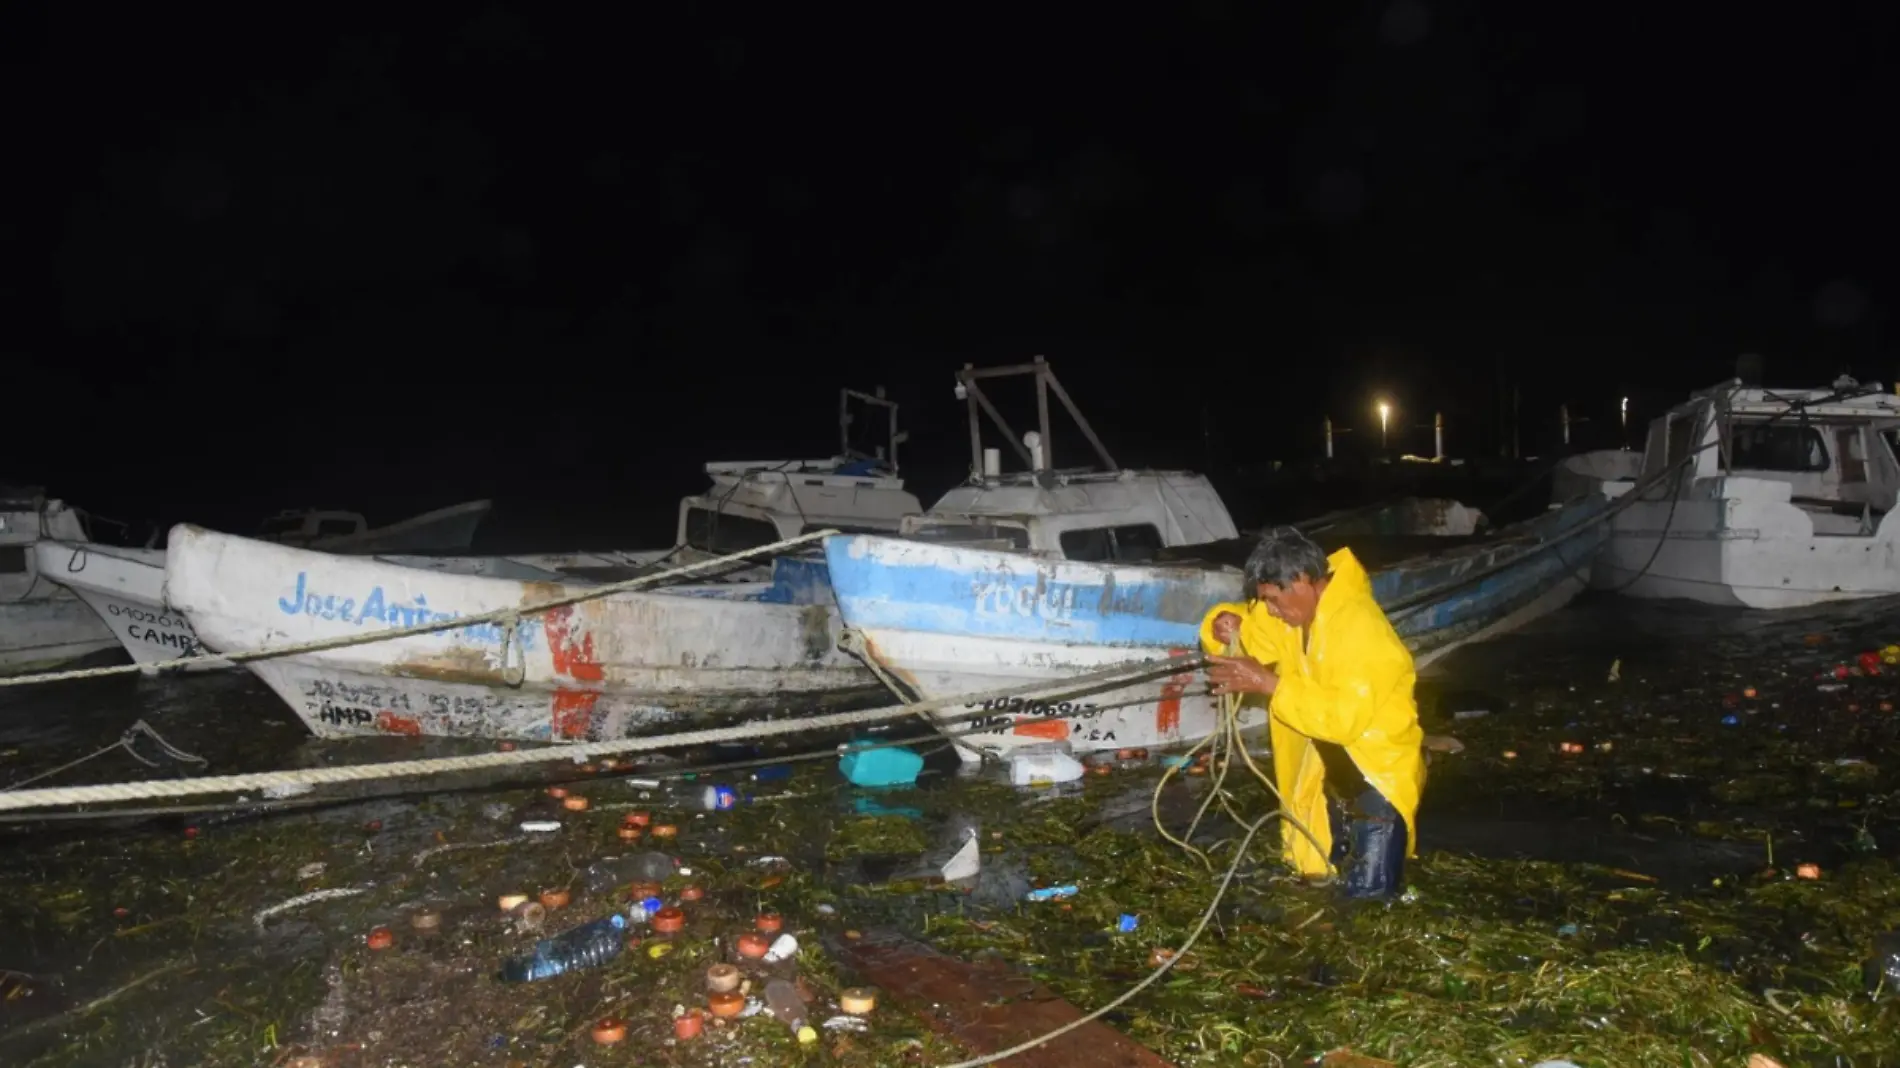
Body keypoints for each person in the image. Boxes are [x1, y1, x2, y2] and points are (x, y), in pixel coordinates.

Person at [1198, 526, 1424, 900]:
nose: (1269, 611)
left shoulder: (1360, 628)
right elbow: (1248, 629)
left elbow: (1342, 720)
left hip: (1374, 777)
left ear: (1302, 582)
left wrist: (1269, 684)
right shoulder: (1295, 615)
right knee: (1328, 875)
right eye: (1263, 600)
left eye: (1273, 600)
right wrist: (1224, 623)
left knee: (1370, 900)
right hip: (1330, 773)